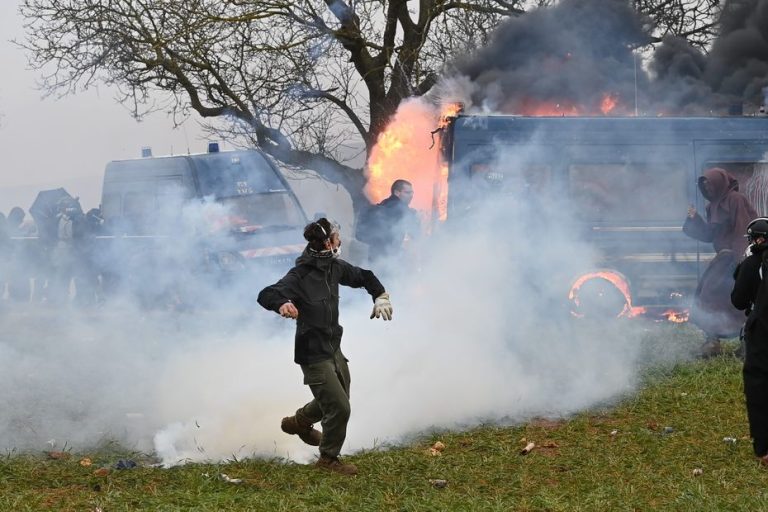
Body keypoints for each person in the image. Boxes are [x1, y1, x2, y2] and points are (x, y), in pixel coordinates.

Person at [257, 217, 393, 476]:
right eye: (337, 235)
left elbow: (365, 276)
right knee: (340, 408)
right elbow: (267, 293)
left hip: (334, 349)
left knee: (335, 400)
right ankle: (328, 461)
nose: (340, 238)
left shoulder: (334, 267)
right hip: (313, 354)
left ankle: (301, 421)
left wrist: (381, 296)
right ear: (328, 242)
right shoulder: (300, 275)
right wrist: (282, 304)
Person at [684, 167, 758, 357]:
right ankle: (712, 342)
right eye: (704, 186)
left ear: (720, 182)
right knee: (708, 297)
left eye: (710, 184)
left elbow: (744, 229)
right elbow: (710, 235)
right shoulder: (712, 206)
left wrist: (741, 261)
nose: (707, 188)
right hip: (723, 260)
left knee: (739, 301)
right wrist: (695, 220)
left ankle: (746, 344)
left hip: (737, 258)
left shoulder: (735, 200)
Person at [731, 217, 768, 465]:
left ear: (757, 239)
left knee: (759, 386)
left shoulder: (753, 263)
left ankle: (765, 449)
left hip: (763, 334)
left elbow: (738, 300)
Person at [356, 179, 420, 265]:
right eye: (407, 192)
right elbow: (415, 235)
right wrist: (417, 220)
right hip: (390, 260)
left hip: (374, 258)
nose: (411, 195)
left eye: (412, 193)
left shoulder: (383, 205)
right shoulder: (403, 211)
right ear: (397, 192)